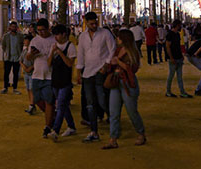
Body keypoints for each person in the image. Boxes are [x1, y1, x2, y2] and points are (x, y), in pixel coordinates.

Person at [76, 11, 116, 143]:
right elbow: (80, 54)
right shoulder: (82, 37)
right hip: (87, 73)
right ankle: (94, 131)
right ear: (86, 23)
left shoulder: (105, 33)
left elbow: (112, 49)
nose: (94, 25)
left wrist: (106, 65)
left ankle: (113, 120)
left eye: (95, 23)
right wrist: (78, 72)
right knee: (90, 103)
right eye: (91, 23)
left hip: (100, 71)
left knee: (102, 100)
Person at [102, 29, 146, 149]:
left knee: (131, 111)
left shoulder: (132, 53)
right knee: (113, 112)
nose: (117, 39)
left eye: (119, 37)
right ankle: (113, 138)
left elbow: (133, 69)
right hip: (117, 81)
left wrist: (118, 63)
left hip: (127, 83)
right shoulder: (117, 50)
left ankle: (140, 132)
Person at [27, 19, 57, 138]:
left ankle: (47, 126)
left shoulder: (54, 40)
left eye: (43, 30)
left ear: (48, 28)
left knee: (49, 101)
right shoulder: (35, 40)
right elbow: (28, 57)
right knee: (38, 100)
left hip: (50, 76)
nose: (41, 33)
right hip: (37, 75)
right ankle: (51, 116)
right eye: (38, 30)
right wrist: (32, 54)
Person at [47, 24, 77, 141]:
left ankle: (56, 130)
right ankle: (71, 126)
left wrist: (59, 52)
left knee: (60, 105)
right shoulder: (53, 46)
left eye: (58, 34)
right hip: (55, 80)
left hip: (65, 81)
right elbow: (49, 63)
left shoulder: (70, 47)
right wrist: (52, 53)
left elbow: (70, 63)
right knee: (62, 105)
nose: (56, 37)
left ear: (64, 34)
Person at [165, 20, 191, 98]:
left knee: (179, 76)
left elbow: (178, 46)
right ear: (177, 25)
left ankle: (182, 92)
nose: (181, 27)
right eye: (180, 25)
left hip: (178, 57)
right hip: (173, 58)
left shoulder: (177, 34)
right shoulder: (170, 34)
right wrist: (171, 57)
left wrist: (181, 55)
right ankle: (168, 91)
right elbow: (168, 47)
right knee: (171, 76)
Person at [0, 21, 22, 94]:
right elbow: (3, 45)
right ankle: (5, 87)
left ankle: (15, 88)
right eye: (12, 26)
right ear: (10, 27)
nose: (13, 28)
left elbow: (21, 45)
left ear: (16, 28)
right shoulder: (6, 36)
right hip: (8, 57)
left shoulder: (20, 36)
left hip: (17, 57)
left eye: (15, 27)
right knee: (6, 73)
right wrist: (6, 51)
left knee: (16, 73)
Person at [19, 35, 36, 114]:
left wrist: (30, 68)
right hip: (26, 72)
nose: (24, 42)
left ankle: (32, 104)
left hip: (32, 72)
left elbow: (36, 62)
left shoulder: (33, 51)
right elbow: (20, 60)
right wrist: (25, 68)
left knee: (32, 89)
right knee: (28, 89)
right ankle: (31, 104)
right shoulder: (25, 50)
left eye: (26, 40)